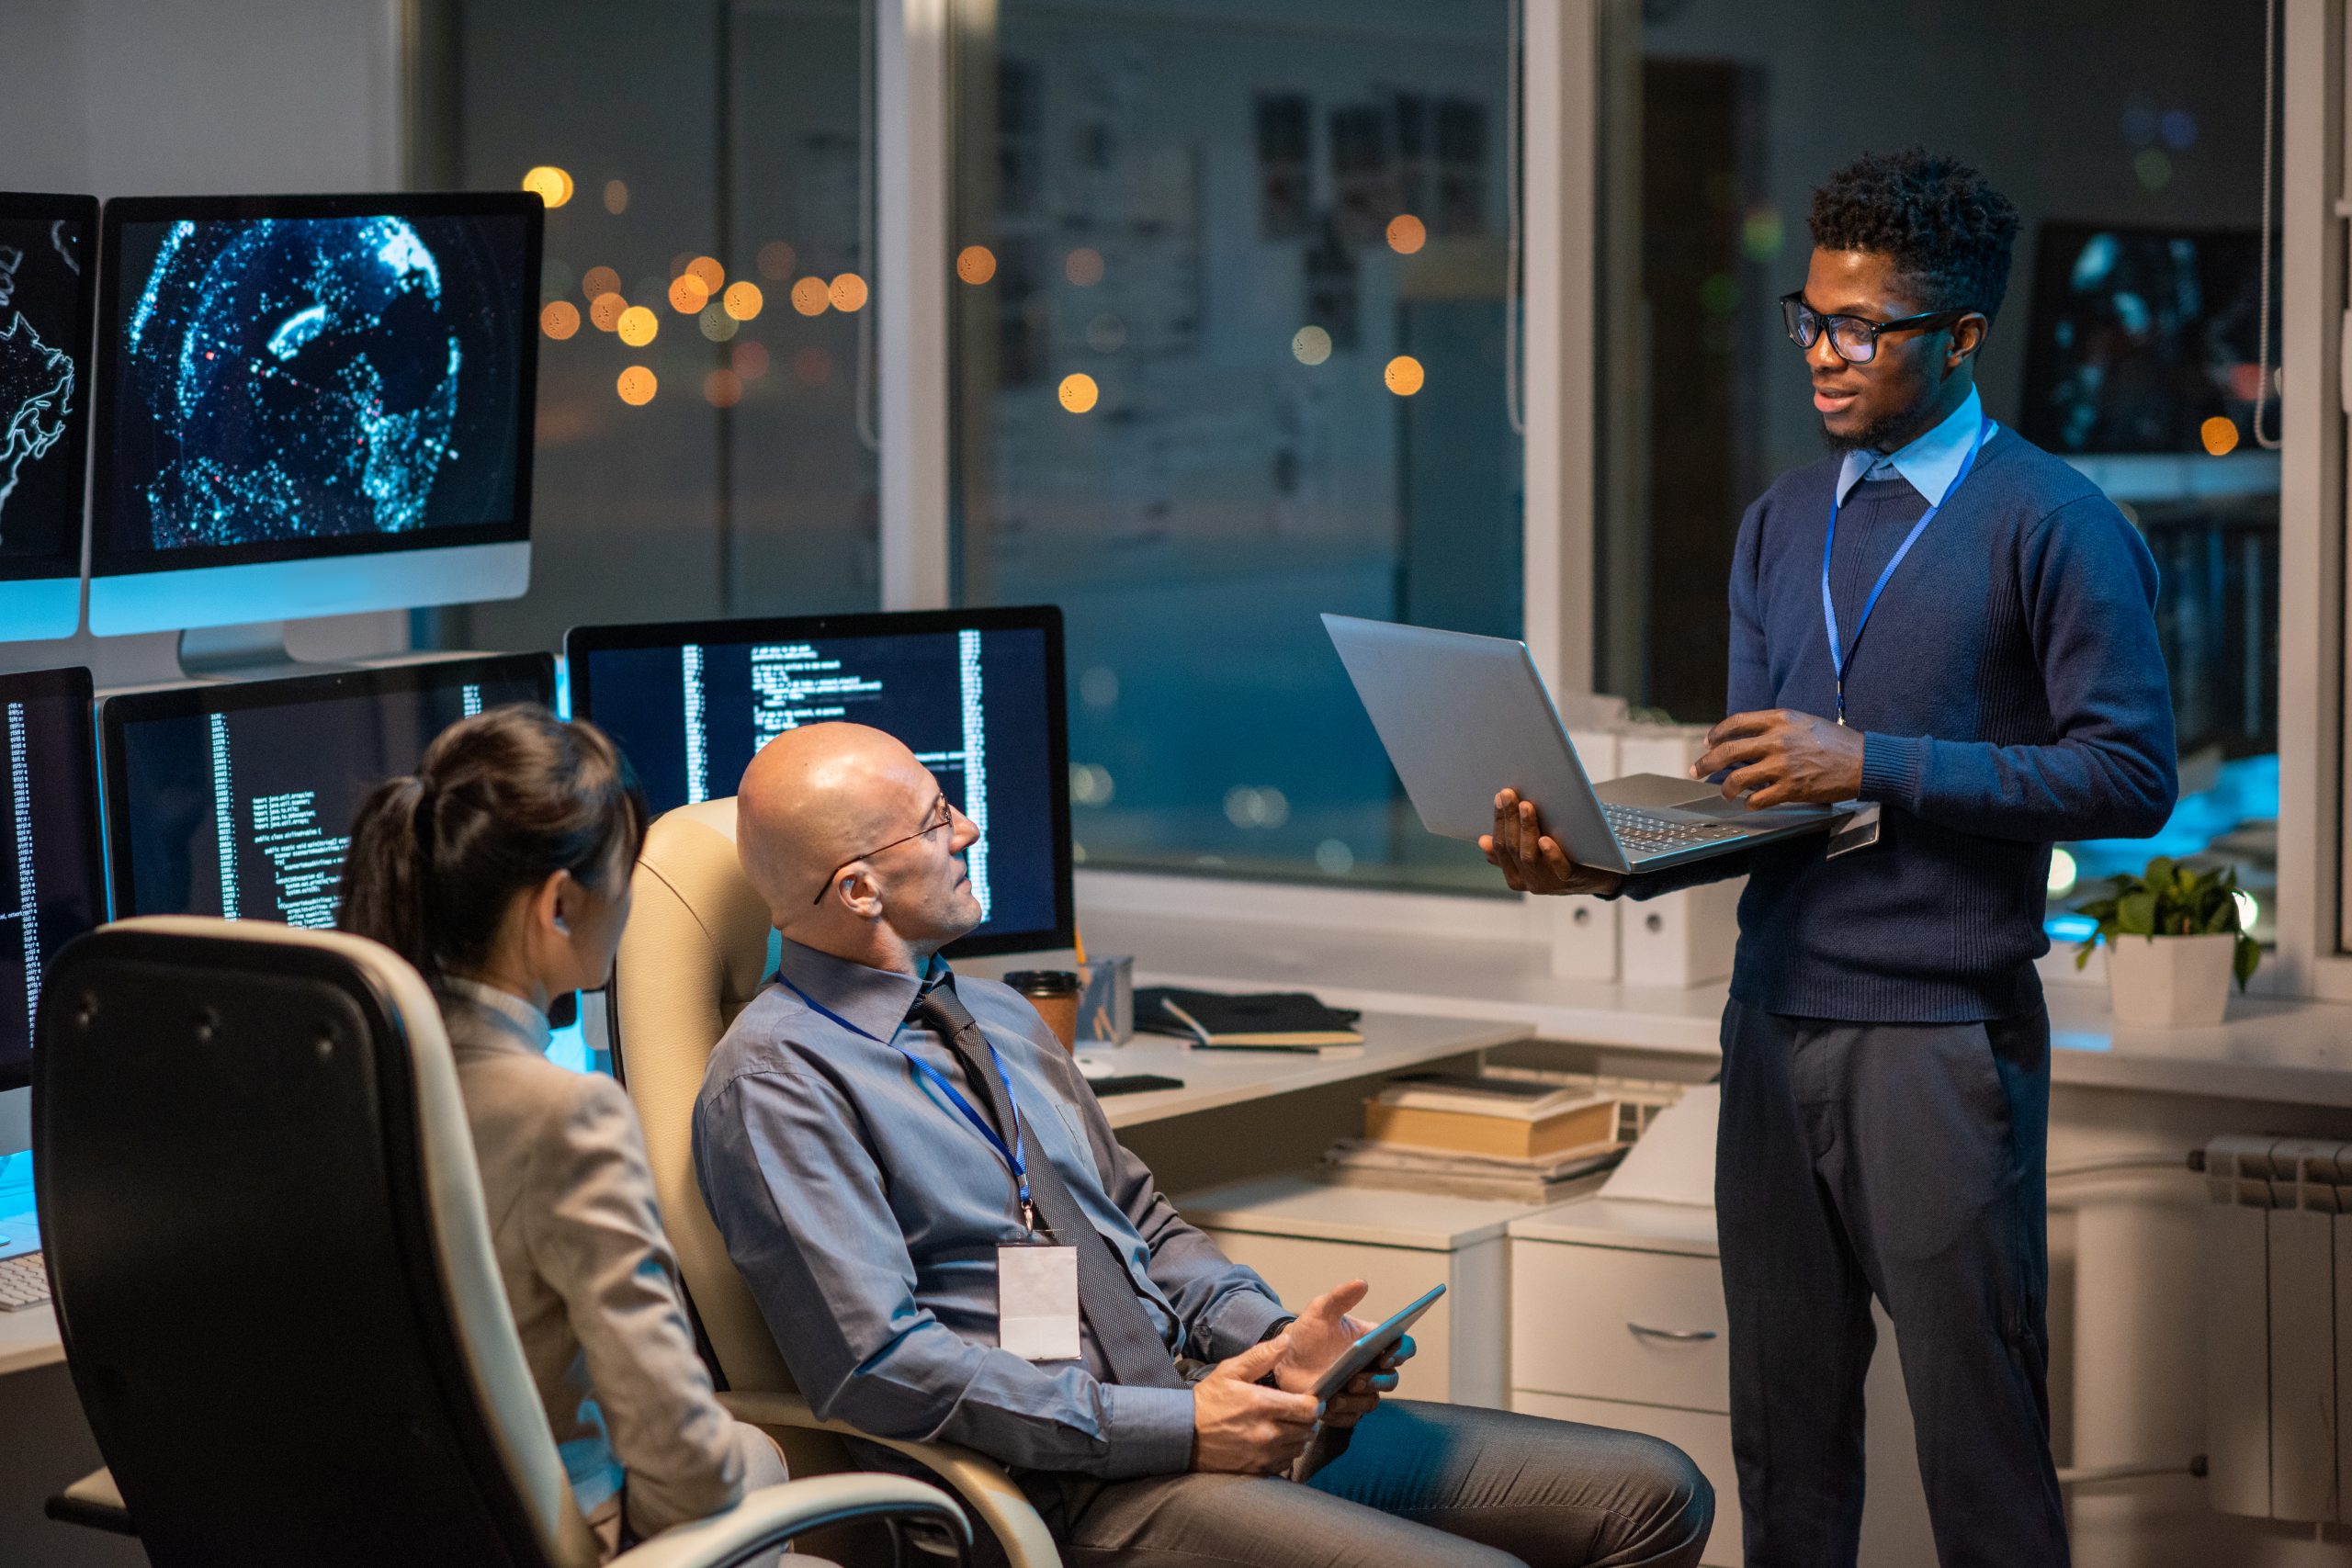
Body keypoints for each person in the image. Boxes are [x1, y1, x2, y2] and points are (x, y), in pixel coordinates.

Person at [1484, 149, 2178, 1568]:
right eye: (1812, 316)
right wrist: (1593, 864)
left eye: (1863, 329)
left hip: (1938, 1039)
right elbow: (1765, 794)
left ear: (1962, 339)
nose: (1824, 352)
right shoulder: (1782, 521)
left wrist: (1869, 758)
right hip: (1771, 1017)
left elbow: (2132, 777)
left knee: (1978, 1447)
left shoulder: (2057, 524)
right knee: (1783, 1445)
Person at [691, 719, 1713, 1568]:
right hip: (1057, 1490)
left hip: (1198, 1409)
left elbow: (1138, 1217)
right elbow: (878, 1365)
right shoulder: (779, 1080)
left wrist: (1270, 1341)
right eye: (933, 819)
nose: (969, 826)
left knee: (1654, 1495)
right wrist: (1177, 1429)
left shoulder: (994, 1015)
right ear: (860, 890)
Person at [339, 705, 802, 1558]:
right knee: (758, 1460)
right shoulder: (563, 1114)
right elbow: (685, 1463)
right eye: (625, 874)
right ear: (560, 905)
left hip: (365, 1527)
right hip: (542, 1531)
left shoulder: (333, 1080)